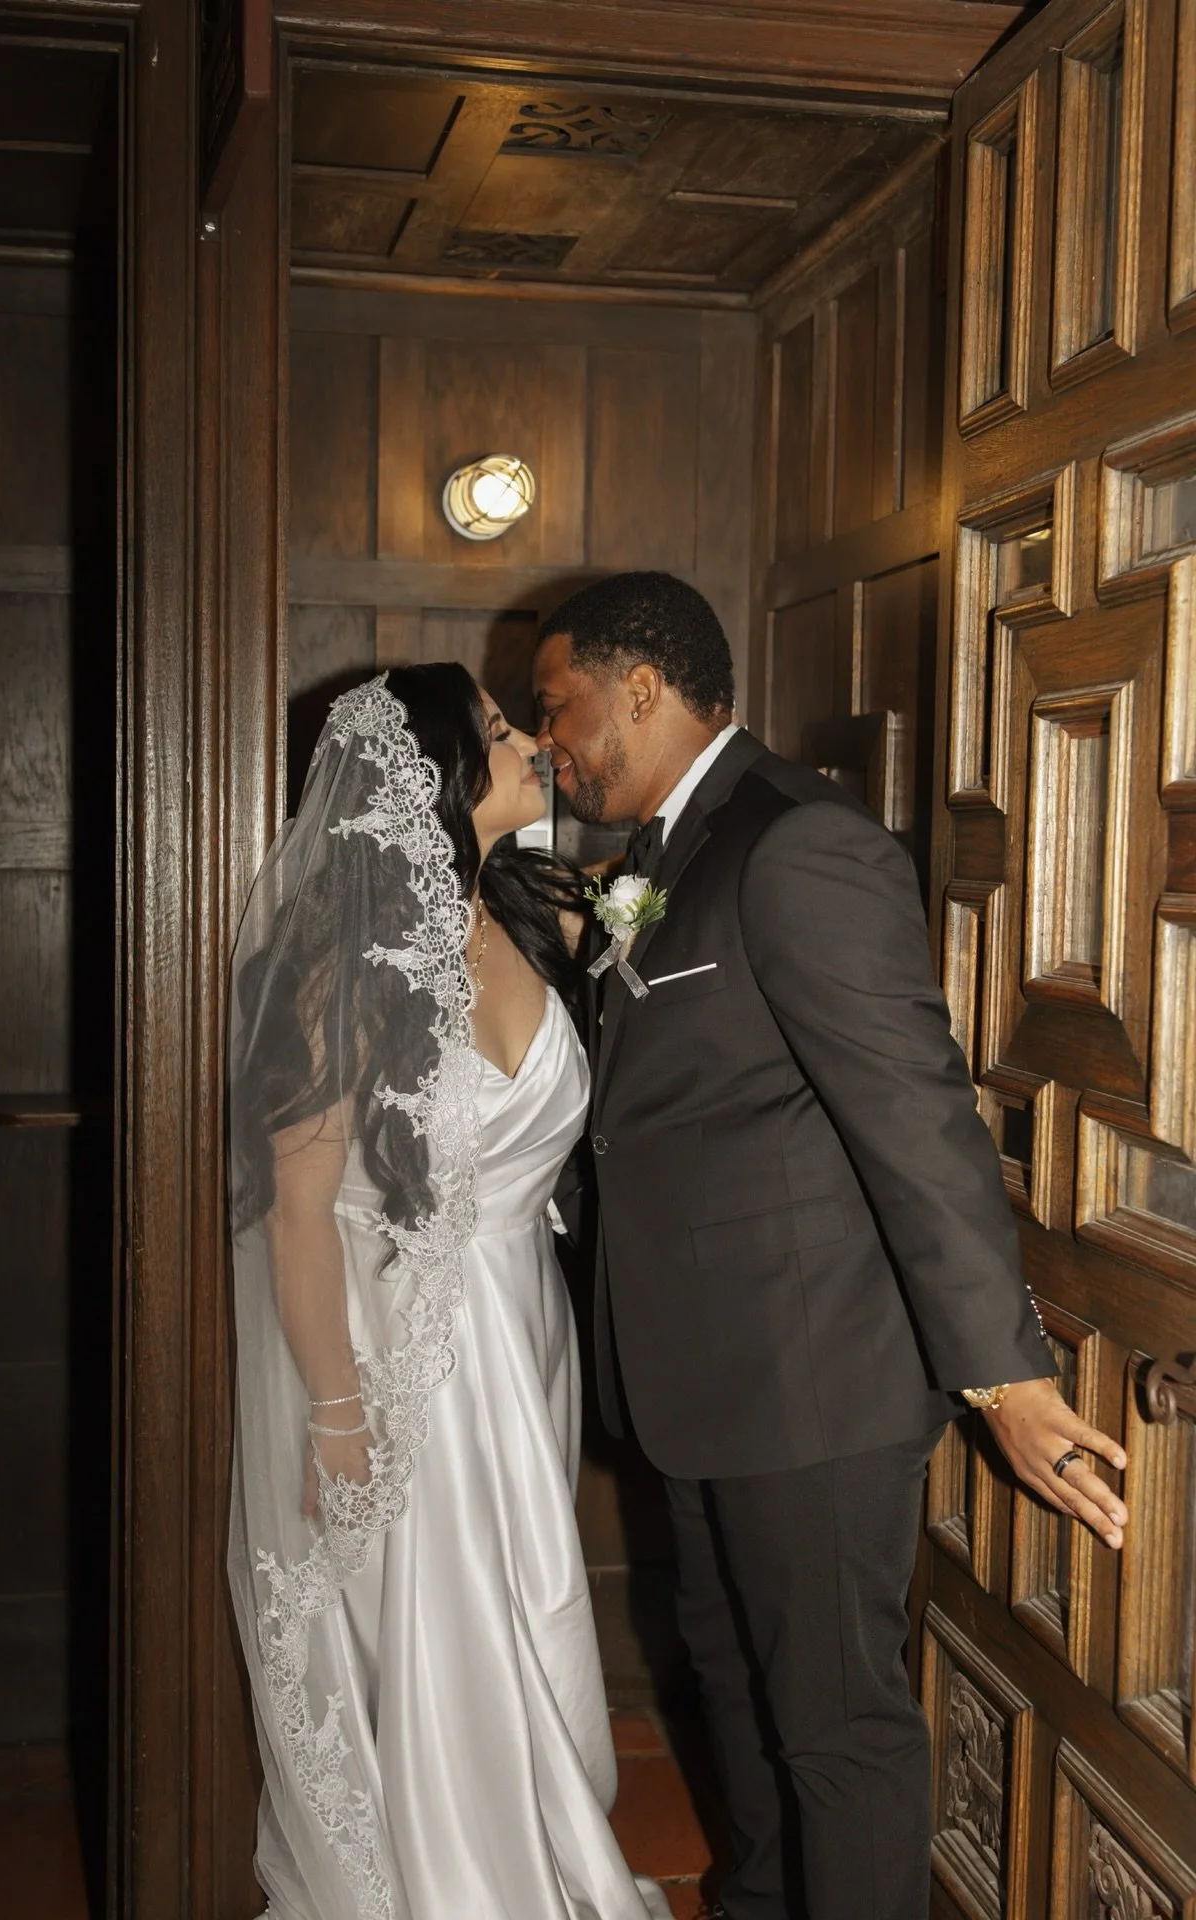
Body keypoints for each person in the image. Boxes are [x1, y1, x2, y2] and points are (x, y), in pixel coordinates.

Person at [530, 572, 1130, 1920]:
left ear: (643, 688)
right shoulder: (653, 857)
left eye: (560, 708)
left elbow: (918, 1121)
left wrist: (1005, 1379)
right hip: (700, 1380)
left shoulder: (800, 841)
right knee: (735, 1694)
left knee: (832, 1734)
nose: (552, 740)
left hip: (811, 1386)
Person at [225, 664, 671, 1920]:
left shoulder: (525, 910)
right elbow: (299, 1214)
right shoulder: (335, 968)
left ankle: (538, 1843)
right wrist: (335, 1408)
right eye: (495, 730)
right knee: (454, 1618)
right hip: (414, 1348)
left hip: (526, 1323)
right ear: (431, 776)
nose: (529, 741)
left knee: (536, 1592)